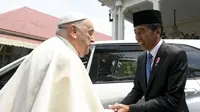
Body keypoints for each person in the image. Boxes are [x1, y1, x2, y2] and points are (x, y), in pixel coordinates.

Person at [0, 12, 106, 112]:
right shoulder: (65, 58)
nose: (93, 39)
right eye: (90, 33)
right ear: (74, 31)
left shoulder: (45, 48)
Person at [109, 10, 189, 112]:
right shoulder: (142, 58)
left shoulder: (175, 55)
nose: (137, 38)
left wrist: (130, 109)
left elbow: (171, 100)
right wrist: (121, 105)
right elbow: (137, 89)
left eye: (141, 32)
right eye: (135, 33)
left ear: (157, 31)